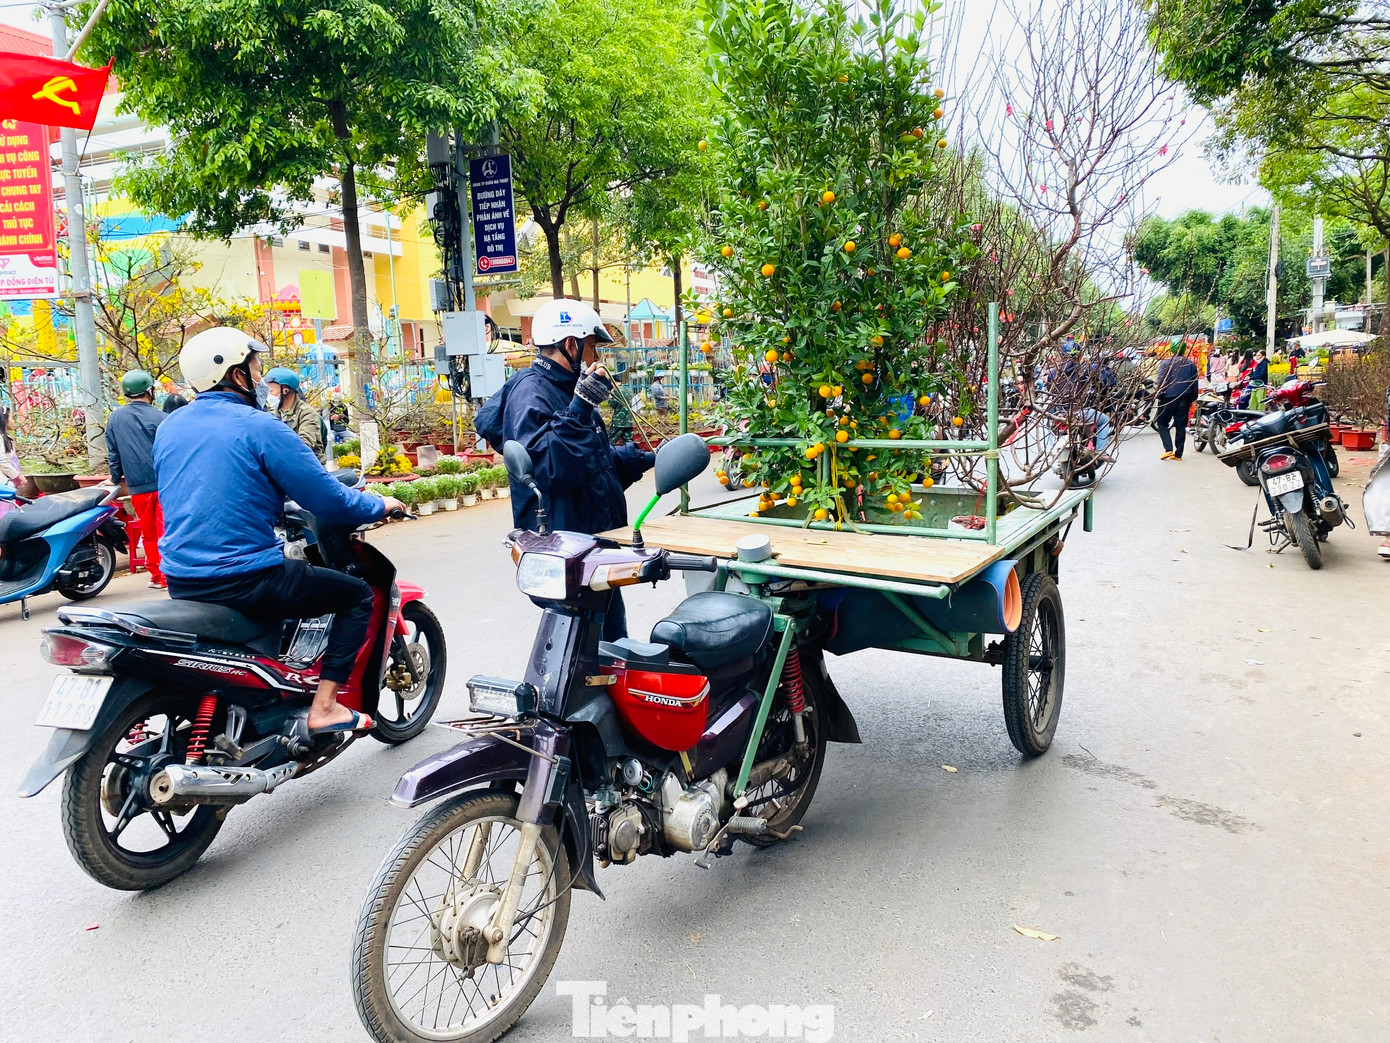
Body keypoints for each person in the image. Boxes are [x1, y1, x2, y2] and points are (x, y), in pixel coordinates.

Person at [154, 327, 405, 735]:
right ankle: (324, 707)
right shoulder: (259, 426)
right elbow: (327, 500)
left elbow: (204, 488)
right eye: (255, 367)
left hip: (182, 578)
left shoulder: (170, 427)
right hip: (246, 578)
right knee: (356, 596)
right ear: (236, 374)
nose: (261, 379)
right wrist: (379, 504)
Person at [476, 298, 655, 640]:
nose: (596, 358)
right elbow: (551, 466)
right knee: (590, 662)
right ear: (571, 345)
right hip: (566, 557)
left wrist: (645, 458)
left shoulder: (565, 389)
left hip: (594, 551)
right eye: (592, 347)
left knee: (613, 651)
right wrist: (581, 406)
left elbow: (589, 463)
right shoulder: (532, 393)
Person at [106, 370, 169, 588]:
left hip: (137, 487)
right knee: (165, 531)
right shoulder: (162, 418)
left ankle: (156, 576)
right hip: (164, 484)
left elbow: (113, 454)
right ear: (149, 391)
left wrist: (115, 479)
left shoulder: (115, 419)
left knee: (149, 532)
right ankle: (169, 575)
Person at [263, 367, 324, 454]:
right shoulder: (272, 413)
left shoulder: (307, 413)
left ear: (285, 390)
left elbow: (304, 445)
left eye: (271, 391)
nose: (268, 395)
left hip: (307, 465)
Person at [1154, 344, 1199, 460]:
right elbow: (1194, 383)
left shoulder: (1165, 363)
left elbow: (1161, 380)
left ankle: (1168, 449)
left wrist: (1159, 394)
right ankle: (1178, 454)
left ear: (1171, 349)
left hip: (1167, 398)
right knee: (1180, 426)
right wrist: (1193, 399)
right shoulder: (1190, 364)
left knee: (1162, 423)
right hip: (1184, 398)